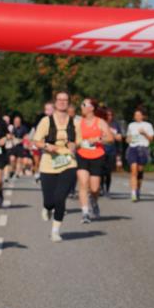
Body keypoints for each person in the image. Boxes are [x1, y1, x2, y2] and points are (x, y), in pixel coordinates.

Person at [32, 91, 78, 242]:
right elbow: (36, 141)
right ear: (55, 102)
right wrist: (47, 146)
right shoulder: (46, 121)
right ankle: (47, 208)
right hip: (48, 164)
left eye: (65, 100)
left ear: (69, 102)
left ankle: (55, 231)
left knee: (60, 197)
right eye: (59, 99)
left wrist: (74, 145)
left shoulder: (75, 122)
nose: (62, 102)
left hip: (68, 163)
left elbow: (79, 141)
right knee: (49, 201)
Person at [75, 97, 114, 222]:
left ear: (91, 108)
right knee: (83, 183)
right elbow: (73, 139)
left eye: (83, 104)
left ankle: (94, 201)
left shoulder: (100, 122)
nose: (81, 106)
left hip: (97, 156)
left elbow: (110, 138)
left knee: (95, 188)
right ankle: (85, 213)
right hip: (82, 155)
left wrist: (98, 139)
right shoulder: (78, 122)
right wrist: (77, 143)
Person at [126, 107, 154, 202]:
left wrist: (144, 133)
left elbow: (151, 139)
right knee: (133, 170)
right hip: (133, 148)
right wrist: (129, 139)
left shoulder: (148, 125)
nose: (137, 117)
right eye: (135, 115)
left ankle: (138, 190)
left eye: (139, 115)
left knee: (139, 171)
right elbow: (128, 138)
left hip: (143, 149)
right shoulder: (131, 125)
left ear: (143, 116)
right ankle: (133, 193)